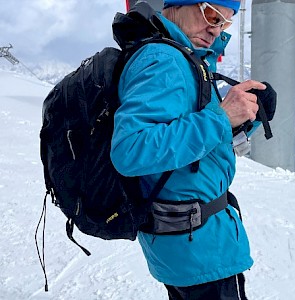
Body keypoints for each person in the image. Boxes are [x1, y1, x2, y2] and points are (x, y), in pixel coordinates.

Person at [111, 1, 266, 299]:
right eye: (212, 15)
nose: (216, 28)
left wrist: (246, 120)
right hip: (201, 249)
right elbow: (130, 150)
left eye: (225, 23)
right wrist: (221, 116)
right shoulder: (163, 59)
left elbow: (193, 143)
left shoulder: (180, 56)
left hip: (190, 242)